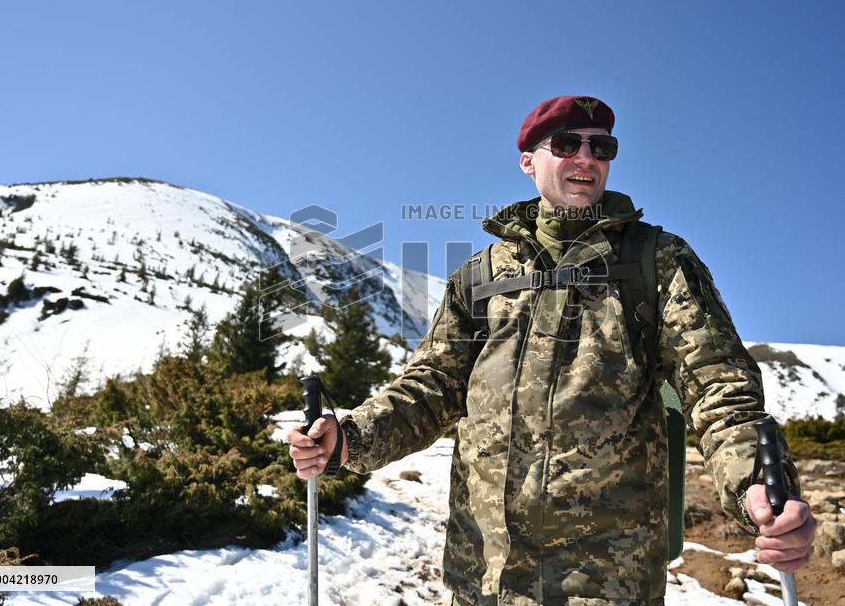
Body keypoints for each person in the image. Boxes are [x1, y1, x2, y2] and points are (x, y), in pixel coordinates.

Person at [287, 95, 817, 605]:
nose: (586, 158)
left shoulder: (658, 261)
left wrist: (755, 486)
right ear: (528, 161)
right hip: (483, 578)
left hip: (605, 583)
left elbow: (719, 388)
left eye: (601, 148)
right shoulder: (482, 275)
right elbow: (432, 386)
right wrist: (349, 439)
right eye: (566, 144)